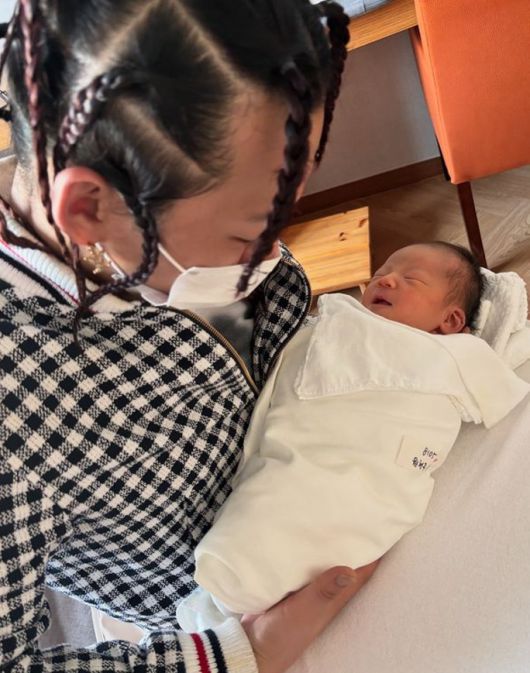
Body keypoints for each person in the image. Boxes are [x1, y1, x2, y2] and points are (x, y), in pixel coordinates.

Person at [0, 2, 378, 673]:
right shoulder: (19, 401)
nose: (276, 253)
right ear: (88, 208)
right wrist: (234, 653)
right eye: (252, 232)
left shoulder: (187, 244)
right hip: (219, 618)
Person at [176, 242, 529, 627]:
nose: (387, 280)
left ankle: (241, 595)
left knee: (338, 510)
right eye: (381, 273)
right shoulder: (340, 322)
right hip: (303, 452)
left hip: (372, 471)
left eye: (411, 279)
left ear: (450, 320)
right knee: (277, 498)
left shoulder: (456, 354)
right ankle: (238, 595)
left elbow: (502, 382)